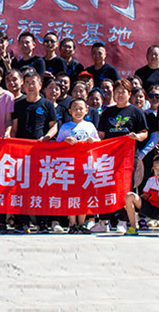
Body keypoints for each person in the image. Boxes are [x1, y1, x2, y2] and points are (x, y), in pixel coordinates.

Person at [95, 79, 147, 233]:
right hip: (109, 157)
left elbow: (144, 133)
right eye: (117, 92)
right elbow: (101, 135)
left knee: (125, 188)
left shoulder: (136, 112)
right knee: (106, 186)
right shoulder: (107, 112)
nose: (119, 94)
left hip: (128, 157)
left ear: (129, 94)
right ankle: (104, 221)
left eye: (123, 92)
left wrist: (137, 137)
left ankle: (123, 221)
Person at [10, 68, 57, 233]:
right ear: (23, 86)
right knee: (21, 187)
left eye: (33, 83)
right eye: (27, 83)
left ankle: (42, 223)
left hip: (40, 151)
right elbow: (14, 128)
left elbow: (54, 126)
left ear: (40, 85)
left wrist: (47, 137)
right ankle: (21, 222)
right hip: (21, 152)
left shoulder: (47, 104)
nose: (30, 86)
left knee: (41, 187)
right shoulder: (19, 104)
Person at [56, 98, 99, 234]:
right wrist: (64, 140)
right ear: (70, 111)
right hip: (70, 166)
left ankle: (81, 223)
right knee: (71, 195)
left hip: (86, 166)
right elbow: (56, 144)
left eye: (81, 109)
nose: (78, 111)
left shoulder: (90, 126)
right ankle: (72, 223)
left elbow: (99, 142)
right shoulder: (65, 126)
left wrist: (93, 141)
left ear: (86, 111)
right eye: (75, 109)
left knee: (84, 195)